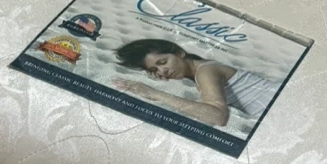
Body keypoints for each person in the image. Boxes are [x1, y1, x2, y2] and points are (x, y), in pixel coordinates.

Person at [114, 38, 279, 129]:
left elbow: (218, 117)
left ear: (180, 53)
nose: (162, 71)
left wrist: (153, 93)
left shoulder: (205, 71)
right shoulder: (200, 70)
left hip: (279, 107)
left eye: (163, 62)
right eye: (154, 69)